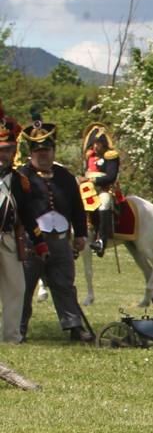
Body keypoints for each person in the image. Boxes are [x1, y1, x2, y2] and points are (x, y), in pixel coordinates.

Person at [14, 119, 94, 342]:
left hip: (60, 240)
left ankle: (74, 327)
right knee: (25, 287)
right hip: (31, 242)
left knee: (64, 285)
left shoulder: (65, 177)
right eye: (38, 151)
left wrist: (81, 234)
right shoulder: (21, 176)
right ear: (31, 153)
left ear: (53, 151)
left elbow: (77, 207)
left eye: (47, 150)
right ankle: (18, 329)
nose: (43, 155)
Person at [0, 106, 25, 343]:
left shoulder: (20, 181)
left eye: (7, 150)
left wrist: (39, 242)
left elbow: (28, 214)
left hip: (9, 239)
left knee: (16, 288)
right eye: (0, 150)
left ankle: (11, 337)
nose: (3, 154)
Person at [81, 124, 121, 257]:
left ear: (103, 144)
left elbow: (111, 177)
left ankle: (101, 241)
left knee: (104, 202)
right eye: (94, 143)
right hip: (88, 189)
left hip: (105, 189)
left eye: (97, 144)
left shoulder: (111, 156)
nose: (95, 146)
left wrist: (93, 181)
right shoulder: (90, 157)